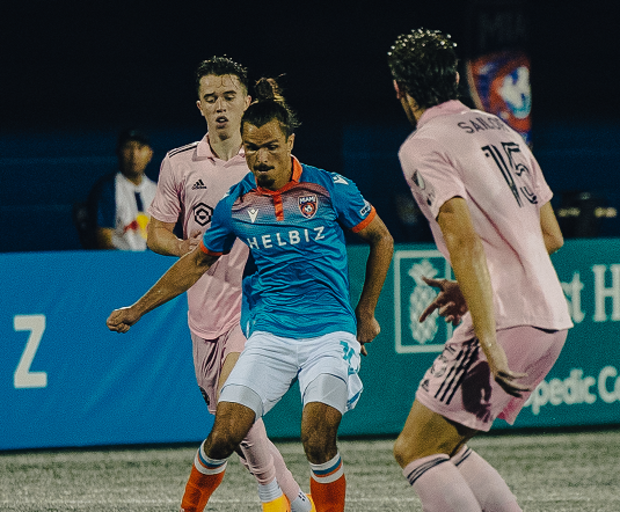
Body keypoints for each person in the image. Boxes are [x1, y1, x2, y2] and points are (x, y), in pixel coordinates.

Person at [107, 77, 394, 512]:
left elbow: (381, 238)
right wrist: (138, 309)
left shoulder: (329, 187)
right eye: (253, 148)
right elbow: (197, 261)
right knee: (224, 434)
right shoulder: (236, 205)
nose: (261, 158)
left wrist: (366, 312)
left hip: (328, 336)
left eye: (271, 147)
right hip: (270, 336)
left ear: (290, 142)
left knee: (317, 439)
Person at [387, 28, 573, 512]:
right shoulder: (501, 128)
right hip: (551, 318)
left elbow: (462, 237)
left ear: (398, 88)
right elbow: (550, 235)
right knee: (445, 445)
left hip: (506, 321)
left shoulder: (422, 144)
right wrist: (474, 289)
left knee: (414, 450)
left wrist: (487, 337)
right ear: (453, 78)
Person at [145, 57, 311, 512]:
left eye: (230, 97)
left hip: (256, 305)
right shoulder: (179, 163)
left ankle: (271, 500)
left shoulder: (265, 160)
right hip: (203, 313)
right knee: (236, 421)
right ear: (199, 105)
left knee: (233, 407)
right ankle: (299, 502)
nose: (221, 107)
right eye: (212, 98)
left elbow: (301, 224)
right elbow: (155, 232)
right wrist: (190, 250)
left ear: (247, 102)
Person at [88, 129, 156, 250]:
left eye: (140, 148)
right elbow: (104, 239)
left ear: (150, 154)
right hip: (119, 262)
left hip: (154, 262)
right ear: (119, 152)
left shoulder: (158, 191)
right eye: (128, 147)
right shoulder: (107, 188)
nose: (134, 154)